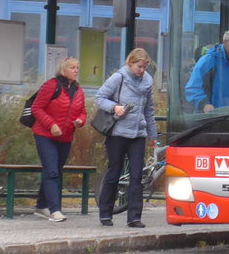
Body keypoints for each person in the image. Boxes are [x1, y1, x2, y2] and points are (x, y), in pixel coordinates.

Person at [96, 48, 158, 228]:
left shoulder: (147, 81)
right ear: (130, 63)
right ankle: (106, 213)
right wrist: (115, 107)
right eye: (139, 66)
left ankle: (134, 217)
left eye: (144, 67)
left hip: (138, 133)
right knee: (114, 172)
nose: (141, 70)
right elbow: (100, 98)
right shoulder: (119, 78)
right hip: (118, 133)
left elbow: (149, 110)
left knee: (137, 175)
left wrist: (152, 134)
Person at [31, 56, 86, 223]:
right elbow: (36, 108)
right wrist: (51, 124)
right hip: (45, 135)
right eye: (72, 67)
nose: (76, 70)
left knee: (54, 170)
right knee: (52, 171)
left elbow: (83, 111)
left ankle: (41, 206)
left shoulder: (78, 90)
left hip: (66, 137)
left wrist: (80, 121)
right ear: (63, 69)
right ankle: (55, 210)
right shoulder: (51, 85)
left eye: (77, 67)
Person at [184, 29, 229, 112]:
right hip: (210, 118)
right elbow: (192, 88)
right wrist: (204, 105)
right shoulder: (208, 61)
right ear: (225, 43)